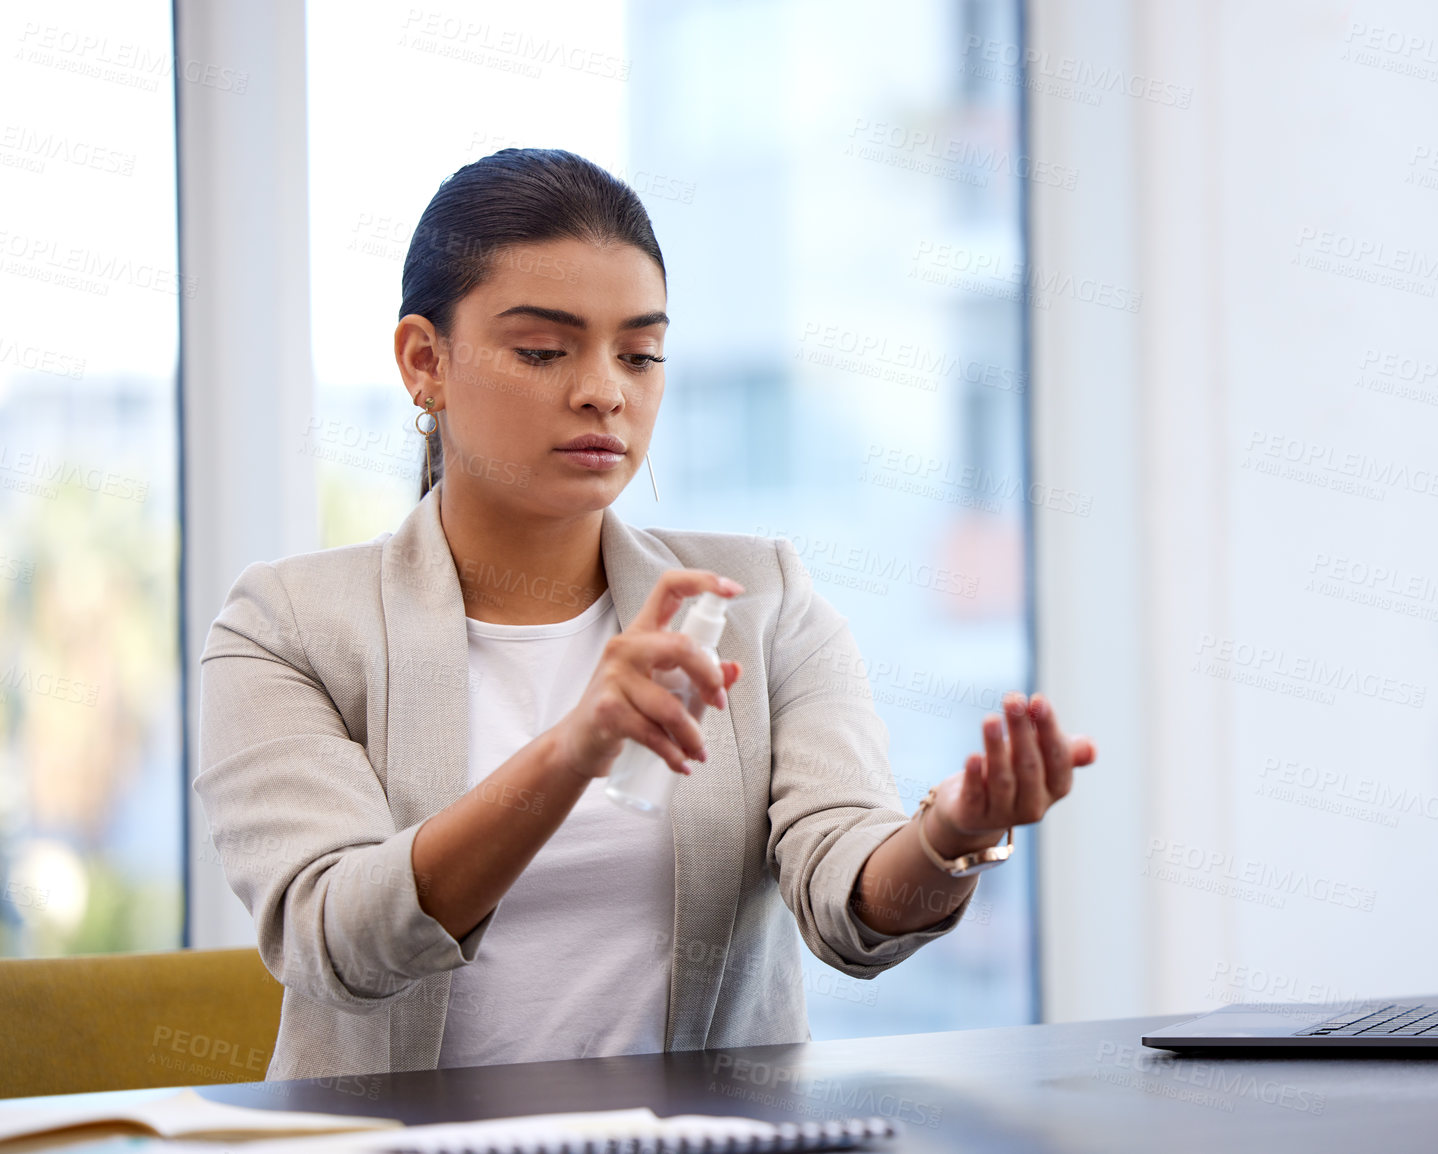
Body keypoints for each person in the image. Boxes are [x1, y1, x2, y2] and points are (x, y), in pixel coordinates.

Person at [195, 148, 1095, 1080]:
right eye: (543, 350)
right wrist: (568, 751)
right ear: (425, 361)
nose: (604, 389)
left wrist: (945, 840)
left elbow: (845, 895)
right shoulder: (287, 626)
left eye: (640, 353)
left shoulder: (761, 602)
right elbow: (335, 938)